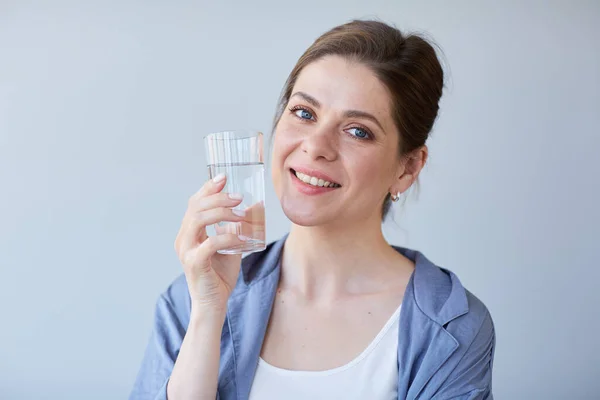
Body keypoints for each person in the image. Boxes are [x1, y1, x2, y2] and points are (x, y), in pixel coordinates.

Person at [130, 19, 495, 400]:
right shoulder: (190, 300)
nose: (315, 145)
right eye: (304, 113)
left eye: (358, 131)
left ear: (407, 169)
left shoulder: (452, 327)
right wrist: (207, 314)